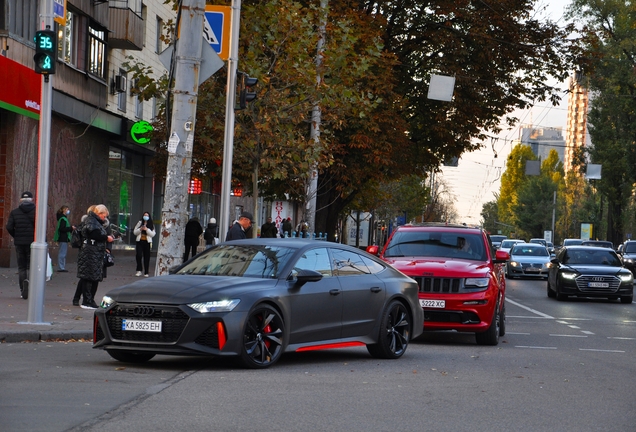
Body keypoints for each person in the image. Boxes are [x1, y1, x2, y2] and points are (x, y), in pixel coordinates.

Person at [76, 204, 113, 309]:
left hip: (94, 254)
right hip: (90, 254)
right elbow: (95, 234)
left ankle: (89, 300)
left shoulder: (94, 221)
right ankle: (87, 301)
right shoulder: (92, 221)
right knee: (89, 278)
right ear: (99, 213)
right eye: (104, 216)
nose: (105, 218)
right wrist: (106, 238)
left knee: (92, 277)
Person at [6, 191, 36, 299]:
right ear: (32, 200)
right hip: (33, 243)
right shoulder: (36, 212)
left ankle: (23, 289)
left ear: (20, 200)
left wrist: (16, 235)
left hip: (20, 243)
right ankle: (32, 288)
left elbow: (9, 227)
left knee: (22, 267)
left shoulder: (15, 212)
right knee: (32, 266)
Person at [133, 212, 155, 277]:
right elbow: (135, 232)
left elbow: (153, 234)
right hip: (139, 241)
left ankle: (146, 272)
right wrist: (140, 229)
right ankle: (139, 270)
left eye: (147, 215)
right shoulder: (140, 223)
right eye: (144, 215)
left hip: (147, 242)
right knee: (139, 255)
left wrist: (147, 229)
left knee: (147, 257)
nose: (146, 217)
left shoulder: (151, 224)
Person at [53, 205, 74, 272]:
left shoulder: (62, 218)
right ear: (64, 210)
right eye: (67, 209)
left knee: (62, 252)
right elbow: (62, 229)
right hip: (63, 238)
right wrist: (71, 228)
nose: (68, 211)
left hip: (63, 238)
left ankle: (62, 266)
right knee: (62, 253)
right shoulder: (63, 219)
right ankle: (61, 267)